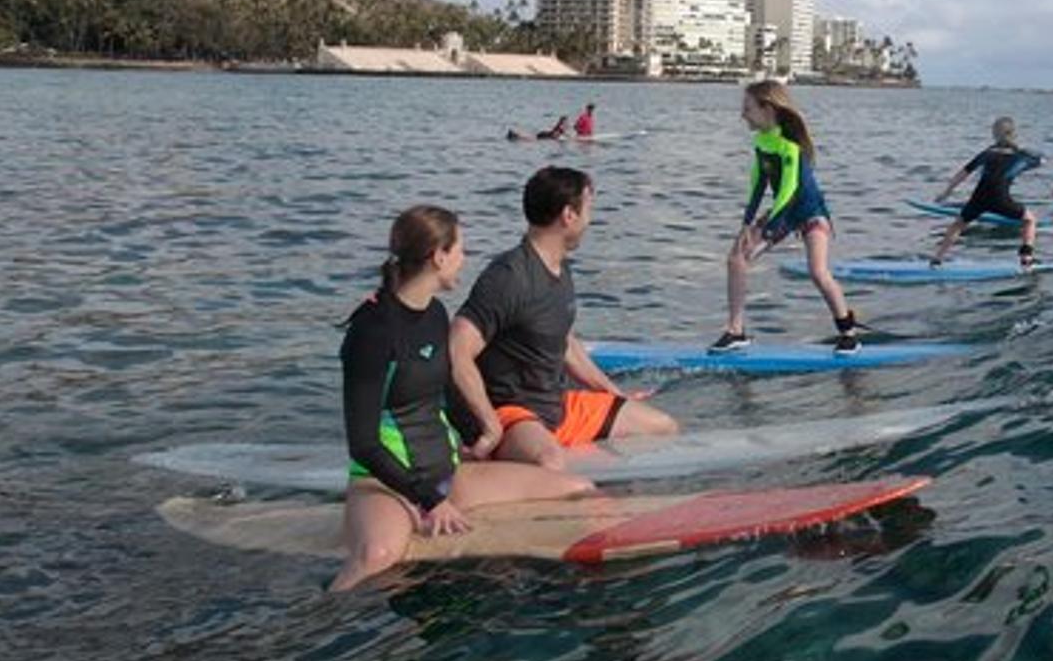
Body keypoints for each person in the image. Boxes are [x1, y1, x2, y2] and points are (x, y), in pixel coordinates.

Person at [333, 204, 595, 591]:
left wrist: (482, 439)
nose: (464, 260)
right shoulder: (372, 332)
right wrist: (428, 501)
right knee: (377, 558)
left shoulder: (435, 314)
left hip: (447, 474)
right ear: (439, 257)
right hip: (387, 485)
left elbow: (449, 394)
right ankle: (328, 624)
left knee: (577, 490)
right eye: (460, 250)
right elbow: (364, 444)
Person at [449, 166, 678, 469]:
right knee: (551, 461)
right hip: (512, 414)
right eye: (588, 209)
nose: (589, 220)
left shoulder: (560, 267)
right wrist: (490, 427)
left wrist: (612, 392)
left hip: (557, 406)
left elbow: (564, 342)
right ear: (569, 215)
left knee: (663, 427)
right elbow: (457, 349)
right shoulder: (509, 276)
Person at [711, 80, 863, 355]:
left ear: (767, 108)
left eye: (747, 108)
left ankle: (849, 334)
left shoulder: (790, 146)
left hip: (810, 213)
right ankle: (735, 331)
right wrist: (747, 223)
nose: (742, 114)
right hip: (783, 213)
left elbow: (789, 190)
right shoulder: (761, 142)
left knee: (818, 272)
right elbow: (758, 185)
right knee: (736, 259)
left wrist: (770, 227)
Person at [929, 116, 1044, 269]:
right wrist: (1026, 156)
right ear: (1013, 134)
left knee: (958, 225)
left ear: (994, 134)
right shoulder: (1019, 156)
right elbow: (1041, 162)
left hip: (979, 197)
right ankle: (1026, 258)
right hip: (1000, 199)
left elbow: (962, 174)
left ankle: (937, 260)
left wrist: (946, 193)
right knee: (1030, 220)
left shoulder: (986, 153)